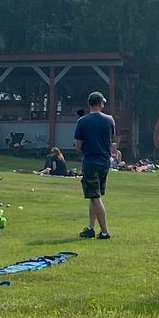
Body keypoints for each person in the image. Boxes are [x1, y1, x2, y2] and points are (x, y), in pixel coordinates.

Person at [73, 91, 116, 239]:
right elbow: (111, 138)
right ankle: (91, 228)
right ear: (101, 103)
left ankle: (104, 232)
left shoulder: (82, 121)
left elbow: (78, 146)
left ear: (89, 104)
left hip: (91, 162)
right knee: (94, 196)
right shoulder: (110, 120)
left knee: (95, 197)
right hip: (104, 162)